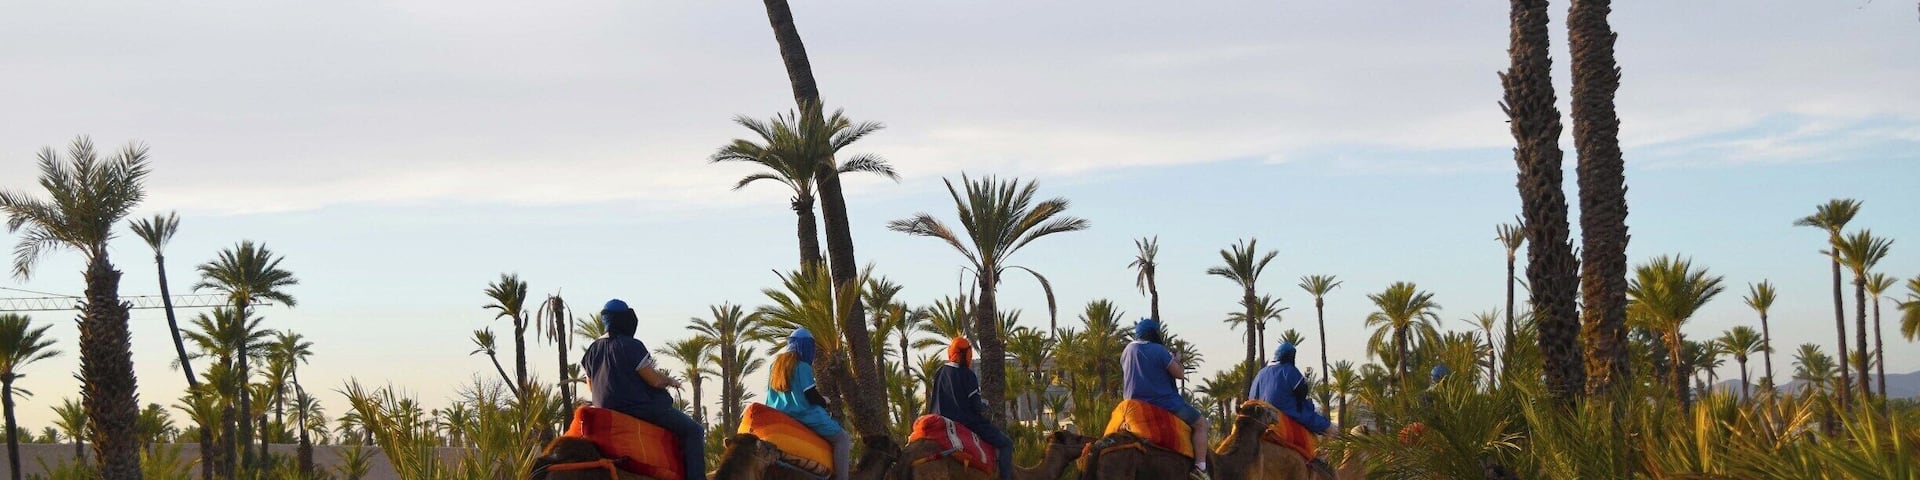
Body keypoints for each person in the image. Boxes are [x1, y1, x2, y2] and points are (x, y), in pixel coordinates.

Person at [581, 299, 705, 480]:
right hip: (638, 409)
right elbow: (653, 380)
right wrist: (670, 380)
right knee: (694, 431)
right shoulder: (631, 345)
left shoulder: (592, 349)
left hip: (603, 409)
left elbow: (590, 386)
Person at [1121, 318, 1210, 480]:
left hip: (1131, 405)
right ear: (1155, 333)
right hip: (1163, 403)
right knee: (1201, 424)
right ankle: (1200, 467)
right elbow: (1179, 374)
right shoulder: (1159, 350)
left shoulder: (1128, 350)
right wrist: (1176, 360)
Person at [765, 328, 852, 480]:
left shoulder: (775, 367)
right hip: (805, 415)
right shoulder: (802, 366)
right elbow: (811, 396)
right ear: (805, 346)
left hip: (779, 415)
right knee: (842, 439)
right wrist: (824, 401)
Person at [927, 337, 1015, 480]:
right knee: (1006, 444)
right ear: (964, 354)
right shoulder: (967, 375)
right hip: (965, 422)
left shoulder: (940, 372)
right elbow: (976, 405)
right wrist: (985, 406)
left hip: (939, 421)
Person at [1248, 342, 1333, 434]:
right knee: (1319, 421)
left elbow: (1252, 396)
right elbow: (1302, 392)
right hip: (1285, 411)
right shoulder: (1288, 370)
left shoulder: (1261, 373)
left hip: (1259, 413)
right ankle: (1335, 434)